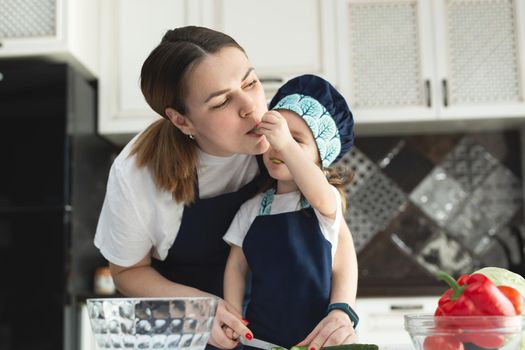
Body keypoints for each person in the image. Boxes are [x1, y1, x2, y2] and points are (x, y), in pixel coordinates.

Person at [94, 25, 358, 350]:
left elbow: (336, 229)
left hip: (268, 327)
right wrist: (199, 309)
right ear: (182, 121)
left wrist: (343, 309)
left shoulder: (278, 144)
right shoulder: (137, 173)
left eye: (250, 82)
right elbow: (126, 270)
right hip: (183, 330)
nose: (251, 107)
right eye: (221, 102)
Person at [222, 75, 358, 349]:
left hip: (319, 341)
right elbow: (236, 266)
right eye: (273, 136)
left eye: (296, 141)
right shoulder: (252, 209)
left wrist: (285, 143)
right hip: (260, 340)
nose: (279, 147)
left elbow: (318, 191)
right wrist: (233, 314)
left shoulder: (324, 200)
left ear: (321, 157)